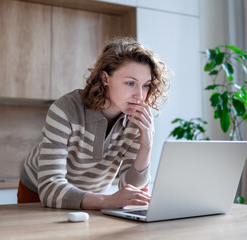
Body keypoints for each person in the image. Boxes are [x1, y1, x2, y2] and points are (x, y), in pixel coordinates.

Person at [17, 37, 169, 210]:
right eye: (130, 83)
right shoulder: (65, 109)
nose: (140, 96)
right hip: (39, 191)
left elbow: (132, 189)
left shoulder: (138, 121)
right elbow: (50, 188)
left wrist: (146, 145)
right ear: (105, 78)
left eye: (145, 85)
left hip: (94, 198)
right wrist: (106, 201)